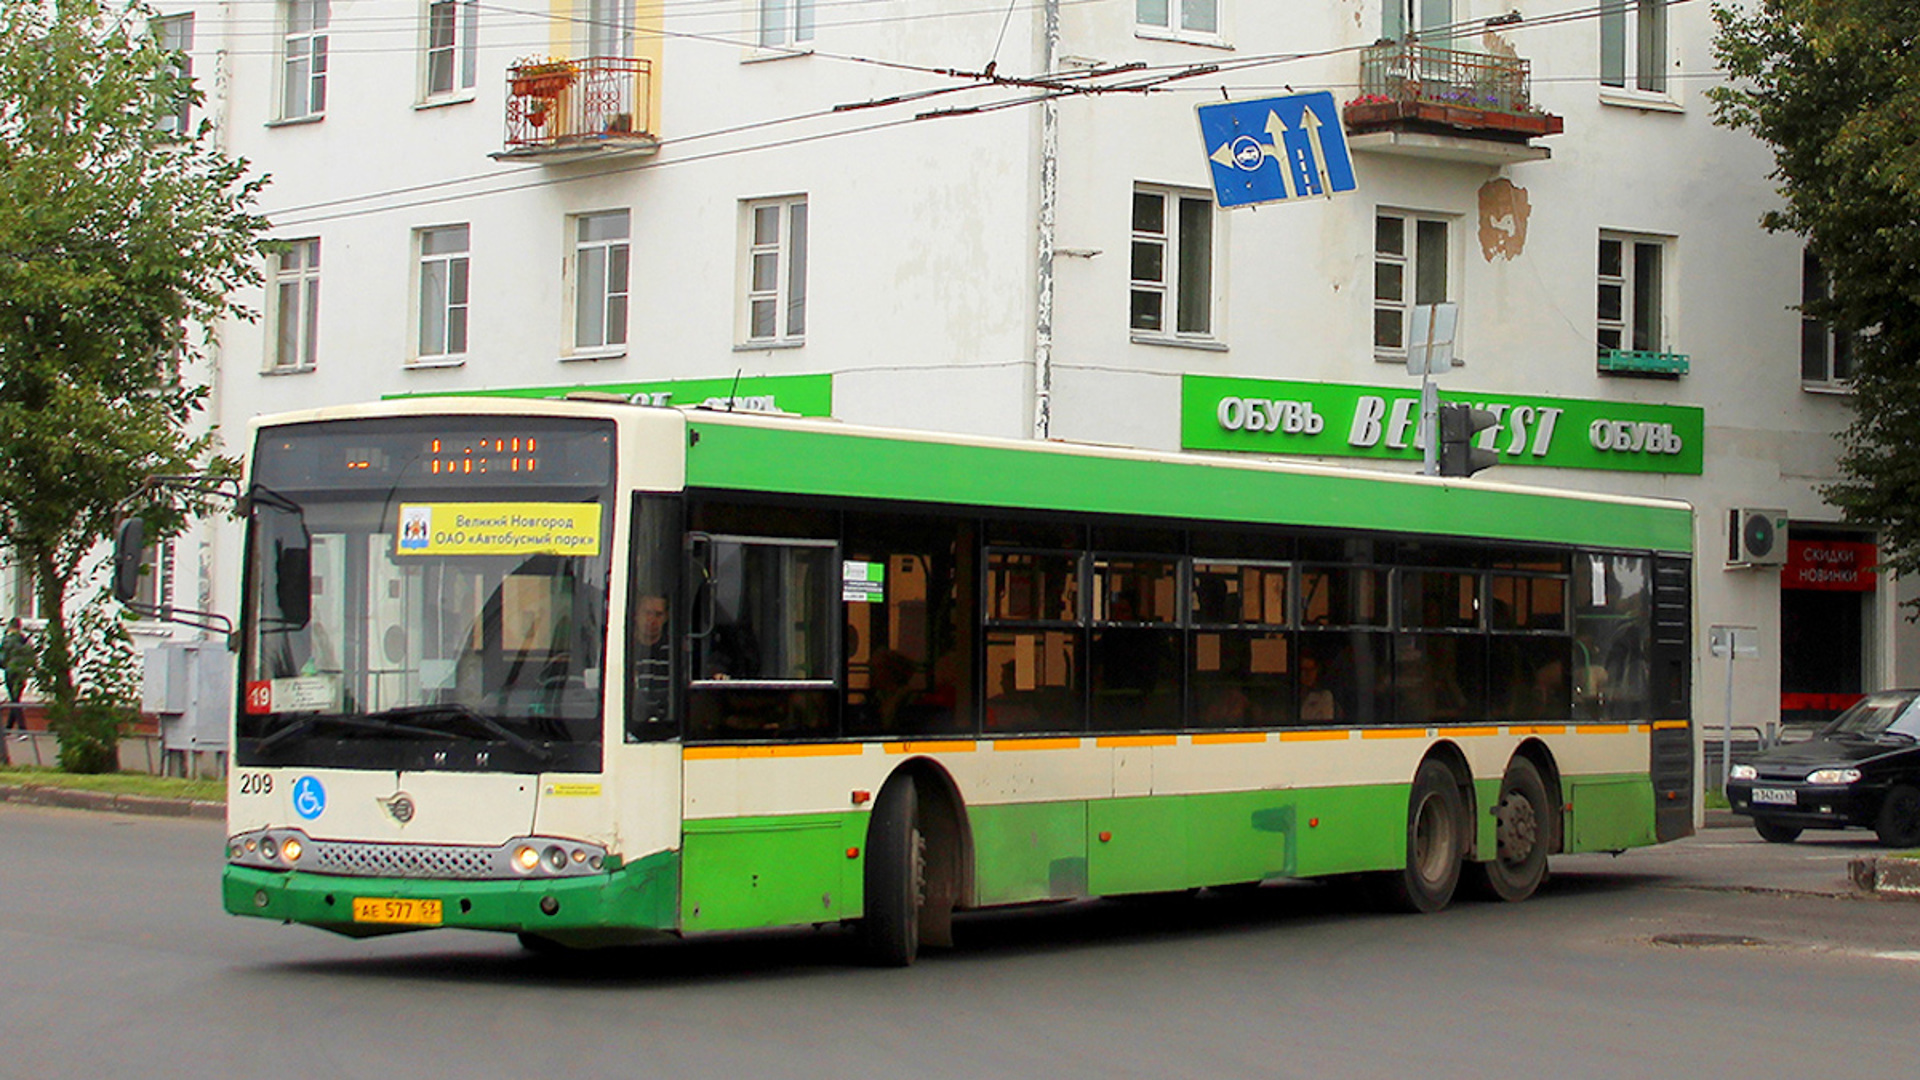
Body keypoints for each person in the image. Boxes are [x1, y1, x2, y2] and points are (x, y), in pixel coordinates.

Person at [626, 594, 671, 741]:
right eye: (647, 613)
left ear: (666, 617)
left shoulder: (673, 653)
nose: (652, 620)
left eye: (658, 614)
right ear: (636, 615)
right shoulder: (624, 649)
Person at [2, 618, 30, 731]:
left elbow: (2, 656)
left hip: (11, 671)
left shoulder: (8, 640)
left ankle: (22, 729)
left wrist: (4, 666)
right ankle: (9, 727)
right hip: (22, 672)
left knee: (15, 700)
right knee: (15, 698)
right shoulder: (24, 640)